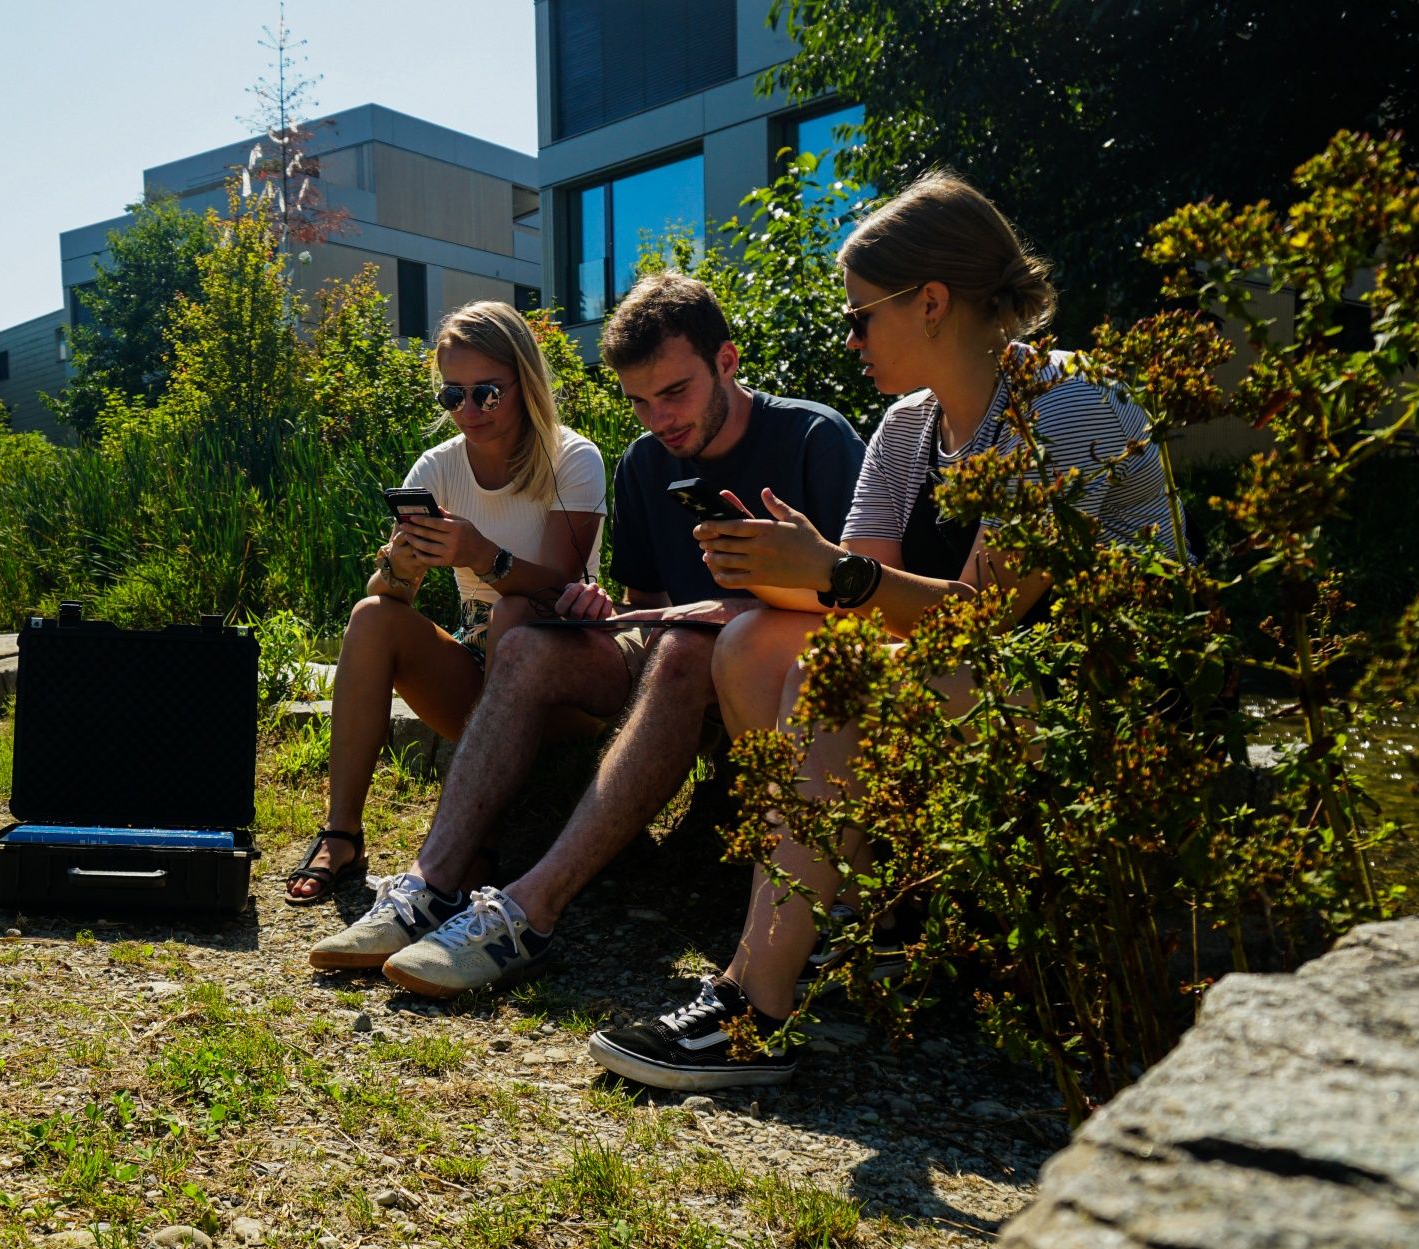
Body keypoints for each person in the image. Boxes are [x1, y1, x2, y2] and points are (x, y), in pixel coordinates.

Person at [587, 169, 1185, 1091]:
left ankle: (756, 1003)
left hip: (1100, 697)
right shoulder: (909, 426)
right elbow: (861, 600)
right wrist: (776, 567)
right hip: (988, 680)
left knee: (842, 674)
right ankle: (855, 923)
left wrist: (831, 572)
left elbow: (980, 616)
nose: (851, 339)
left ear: (932, 303)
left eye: (861, 316)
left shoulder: (1065, 403)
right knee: (751, 645)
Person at [309, 271, 865, 992]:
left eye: (675, 392)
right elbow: (646, 602)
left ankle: (527, 911)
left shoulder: (814, 437)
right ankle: (431, 883)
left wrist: (730, 614)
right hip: (670, 651)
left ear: (727, 361)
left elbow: (865, 599)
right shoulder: (645, 463)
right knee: (530, 642)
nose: (659, 418)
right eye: (639, 401)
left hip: (762, 658)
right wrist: (599, 613)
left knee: (679, 647)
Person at [285, 300, 606, 905]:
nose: (468, 411)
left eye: (487, 393)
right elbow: (391, 597)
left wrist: (483, 555)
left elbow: (560, 590)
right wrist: (398, 568)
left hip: (559, 679)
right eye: (452, 395)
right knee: (371, 617)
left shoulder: (572, 458)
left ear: (525, 382)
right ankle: (342, 833)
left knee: (513, 612)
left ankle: (477, 838)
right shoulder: (437, 467)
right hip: (477, 672)